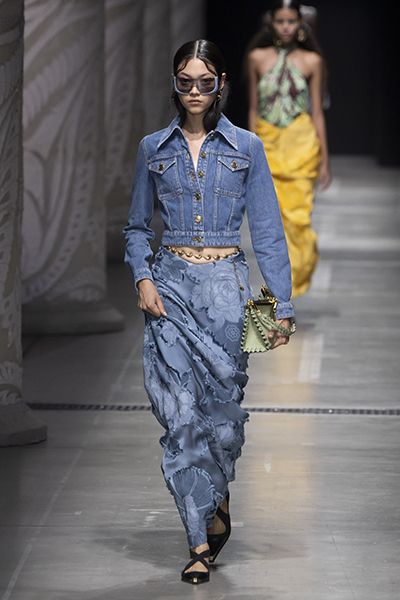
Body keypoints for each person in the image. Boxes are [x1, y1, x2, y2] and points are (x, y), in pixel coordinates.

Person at [124, 39, 294, 585]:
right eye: (184, 81)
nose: (194, 91)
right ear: (174, 84)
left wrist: (282, 307)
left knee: (222, 417)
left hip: (227, 294)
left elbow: (267, 231)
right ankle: (197, 539)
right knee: (180, 416)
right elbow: (135, 227)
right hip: (169, 289)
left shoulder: (248, 147)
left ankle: (217, 498)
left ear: (221, 83)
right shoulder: (153, 147)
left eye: (204, 82)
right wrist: (142, 276)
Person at [246, 0, 332, 297]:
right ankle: (283, 289)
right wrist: (249, 150)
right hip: (268, 142)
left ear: (300, 24)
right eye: (280, 21)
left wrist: (325, 160)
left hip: (301, 144)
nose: (285, 27)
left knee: (299, 218)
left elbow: (317, 111)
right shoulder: (256, 58)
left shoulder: (312, 61)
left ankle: (295, 278)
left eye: (291, 21)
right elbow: (253, 108)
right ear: (271, 23)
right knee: (273, 222)